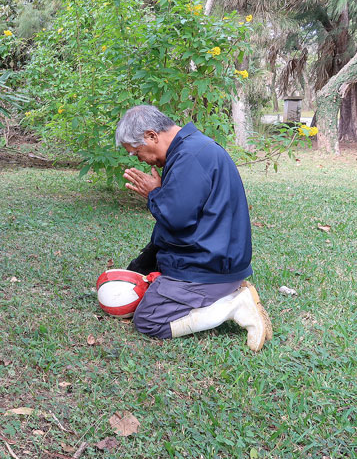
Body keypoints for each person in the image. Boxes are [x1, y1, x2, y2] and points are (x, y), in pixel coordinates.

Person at [115, 105, 272, 351]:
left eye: (136, 152)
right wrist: (137, 268)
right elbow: (170, 230)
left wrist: (154, 194)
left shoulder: (190, 157)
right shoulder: (190, 150)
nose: (138, 158)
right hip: (217, 262)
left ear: (151, 136)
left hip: (209, 269)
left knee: (147, 319)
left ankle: (232, 306)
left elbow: (177, 219)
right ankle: (229, 293)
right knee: (146, 292)